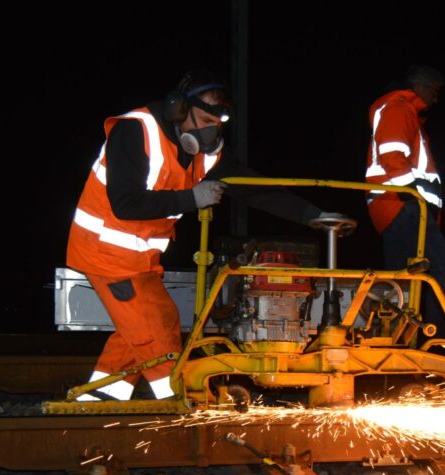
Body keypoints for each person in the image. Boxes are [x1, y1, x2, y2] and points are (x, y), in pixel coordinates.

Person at [66, 69, 342, 400]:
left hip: (139, 257)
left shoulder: (205, 155)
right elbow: (125, 203)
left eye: (218, 123)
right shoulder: (135, 131)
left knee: (143, 325)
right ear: (179, 109)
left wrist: (313, 215)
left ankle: (101, 396)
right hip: (104, 251)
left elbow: (255, 189)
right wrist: (191, 198)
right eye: (206, 119)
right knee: (157, 330)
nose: (211, 131)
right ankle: (180, 400)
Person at [365, 64, 445, 340]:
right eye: (434, 91)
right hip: (403, 206)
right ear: (419, 87)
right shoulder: (400, 108)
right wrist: (412, 195)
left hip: (396, 207)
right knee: (443, 265)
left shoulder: (404, 112)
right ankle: (435, 335)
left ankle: (395, 334)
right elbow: (392, 154)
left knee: (402, 276)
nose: (435, 98)